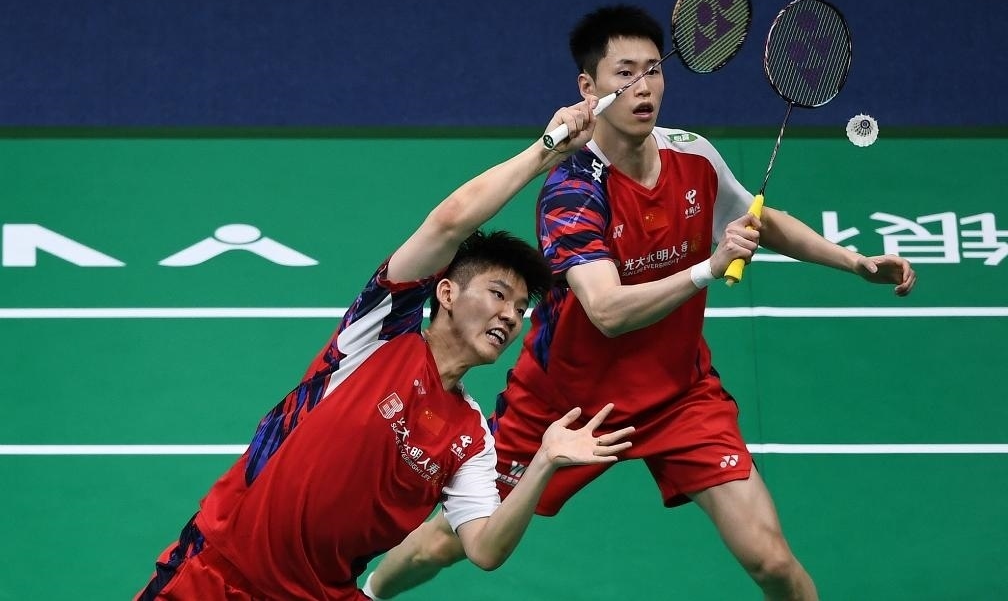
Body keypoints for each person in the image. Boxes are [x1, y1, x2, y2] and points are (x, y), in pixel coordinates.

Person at [364, 5, 917, 601]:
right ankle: (371, 592)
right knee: (451, 541)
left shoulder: (694, 155)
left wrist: (852, 262)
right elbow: (607, 310)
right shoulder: (572, 191)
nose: (644, 87)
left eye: (653, 70)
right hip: (565, 405)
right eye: (624, 73)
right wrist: (707, 268)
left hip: (678, 395)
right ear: (589, 87)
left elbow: (763, 221)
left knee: (773, 561)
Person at [135, 97, 637, 601]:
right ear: (446, 293)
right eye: (498, 294)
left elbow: (485, 548)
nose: (510, 315)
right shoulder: (382, 332)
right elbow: (449, 223)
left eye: (521, 308)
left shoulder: (471, 438)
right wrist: (544, 152)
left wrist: (544, 461)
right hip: (219, 573)